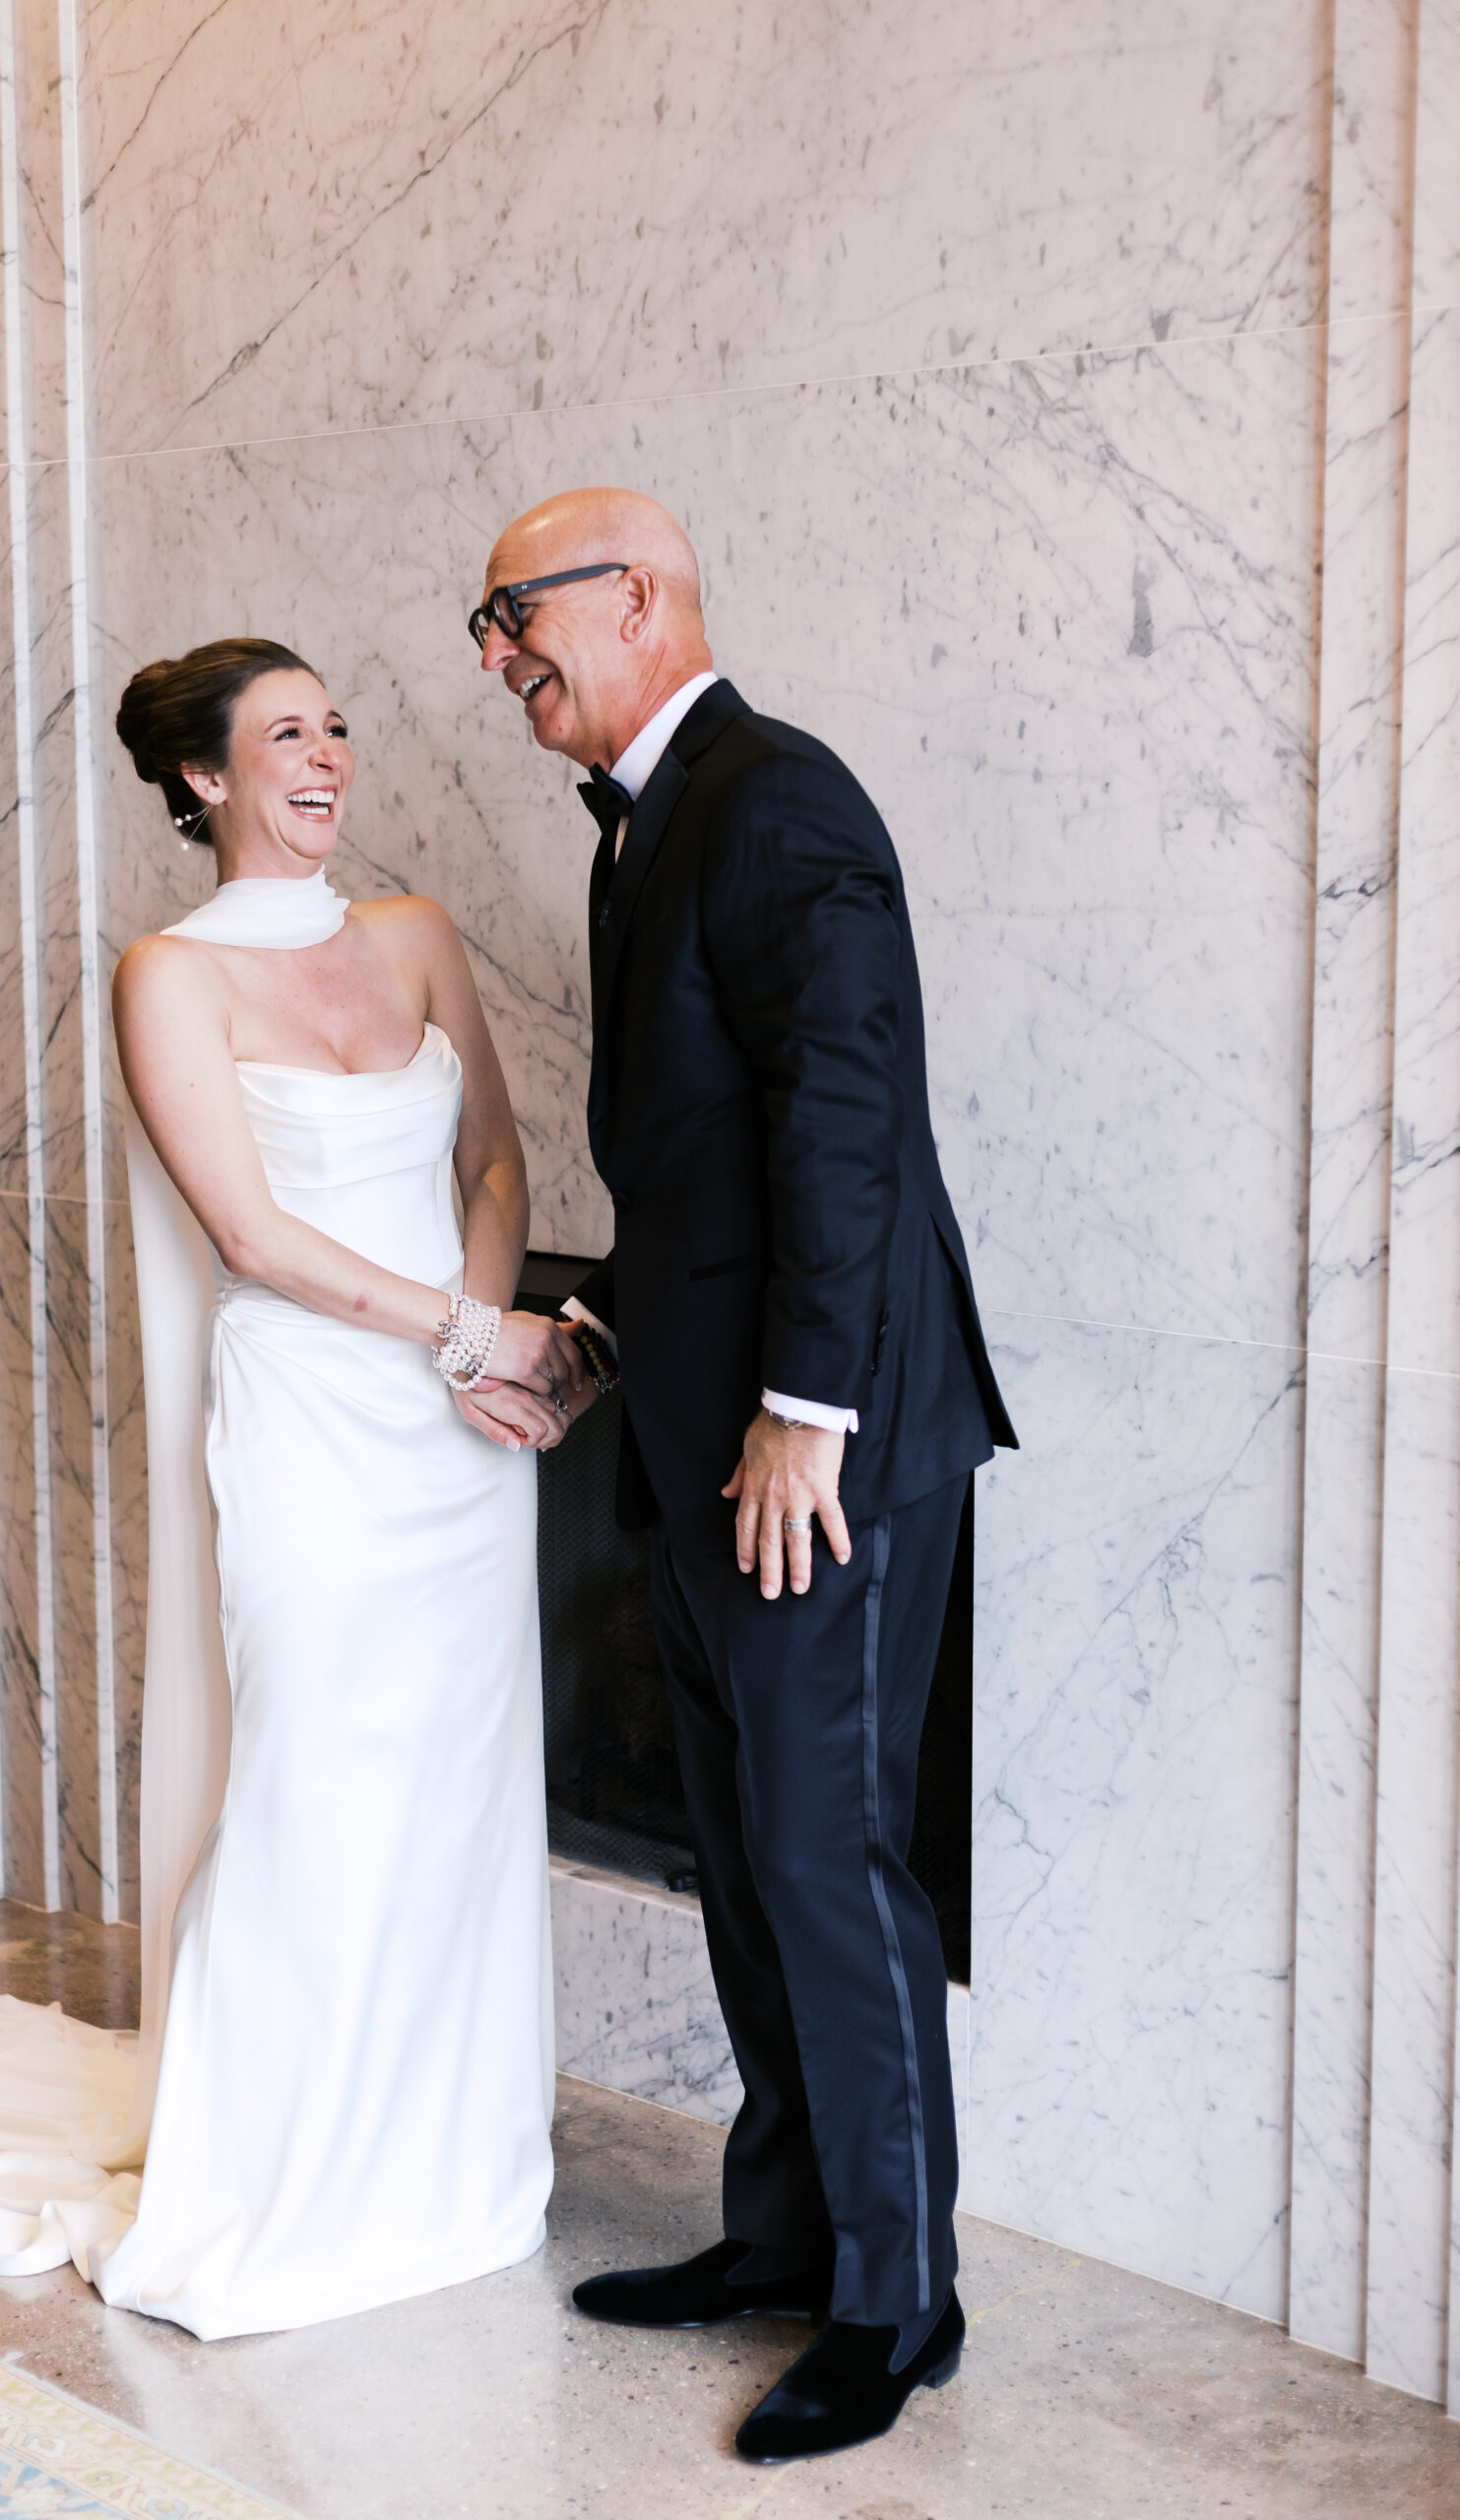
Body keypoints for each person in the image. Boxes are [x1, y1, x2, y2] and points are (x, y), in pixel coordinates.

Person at [0, 637, 579, 2343]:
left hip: (460, 1434)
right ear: (205, 778)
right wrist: (468, 1332)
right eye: (287, 734)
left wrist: (486, 1347)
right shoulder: (169, 975)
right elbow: (252, 1239)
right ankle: (287, 2168)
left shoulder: (415, 936)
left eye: (335, 726)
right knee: (316, 1779)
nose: (328, 754)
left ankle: (448, 2151)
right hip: (312, 1427)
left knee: (457, 1785)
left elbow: (495, 1156)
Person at [471, 494, 1017, 2463]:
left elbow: (847, 1123)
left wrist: (803, 1410)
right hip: (713, 1448)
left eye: (511, 611)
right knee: (748, 1858)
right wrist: (603, 1328)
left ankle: (895, 2302)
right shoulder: (644, 825)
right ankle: (785, 2235)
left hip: (821, 1455)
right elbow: (704, 1167)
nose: (495, 654)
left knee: (826, 1863)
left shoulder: (776, 799)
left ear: (635, 596)